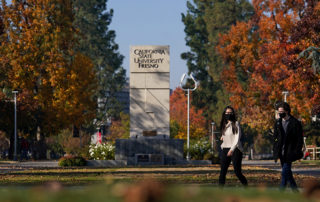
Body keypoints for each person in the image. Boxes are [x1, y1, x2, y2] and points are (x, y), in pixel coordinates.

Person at [273, 101, 303, 191]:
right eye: (279, 112)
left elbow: (299, 138)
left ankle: (281, 191)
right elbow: (275, 137)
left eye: (282, 112)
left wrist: (297, 150)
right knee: (287, 172)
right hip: (281, 151)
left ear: (287, 111)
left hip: (290, 151)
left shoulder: (295, 123)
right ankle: (295, 191)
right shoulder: (278, 123)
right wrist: (275, 148)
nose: (280, 113)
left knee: (284, 171)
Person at [219, 106, 248, 186]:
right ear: (224, 114)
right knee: (223, 171)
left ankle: (246, 186)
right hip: (225, 148)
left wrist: (231, 149)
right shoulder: (224, 124)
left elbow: (237, 138)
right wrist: (222, 139)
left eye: (230, 113)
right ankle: (220, 190)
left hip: (235, 149)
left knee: (237, 172)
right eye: (227, 113)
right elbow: (225, 135)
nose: (228, 114)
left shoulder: (236, 124)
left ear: (233, 114)